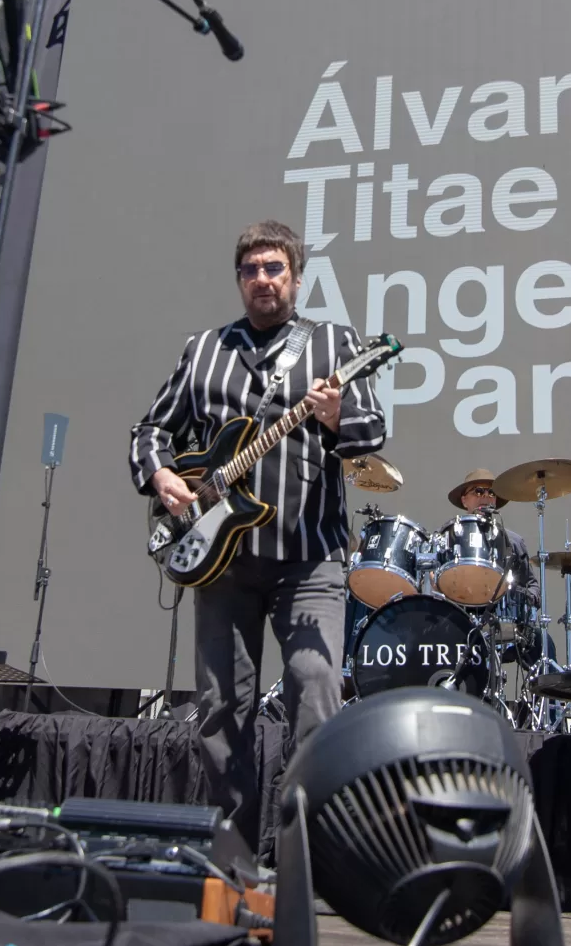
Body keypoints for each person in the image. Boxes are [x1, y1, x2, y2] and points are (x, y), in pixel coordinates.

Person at [130, 220, 386, 848]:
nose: (263, 280)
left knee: (317, 691)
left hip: (311, 554)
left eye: (275, 268)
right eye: (252, 270)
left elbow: (374, 430)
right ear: (240, 279)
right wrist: (162, 475)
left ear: (296, 278)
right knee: (221, 708)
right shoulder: (203, 350)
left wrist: (336, 413)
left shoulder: (334, 343)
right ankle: (236, 854)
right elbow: (150, 431)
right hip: (221, 561)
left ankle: (311, 849)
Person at [444, 468, 540, 602]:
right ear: (464, 500)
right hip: (457, 614)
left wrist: (523, 597)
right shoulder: (448, 536)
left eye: (491, 492)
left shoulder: (513, 541)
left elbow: (532, 586)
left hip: (500, 617)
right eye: (478, 491)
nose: (485, 496)